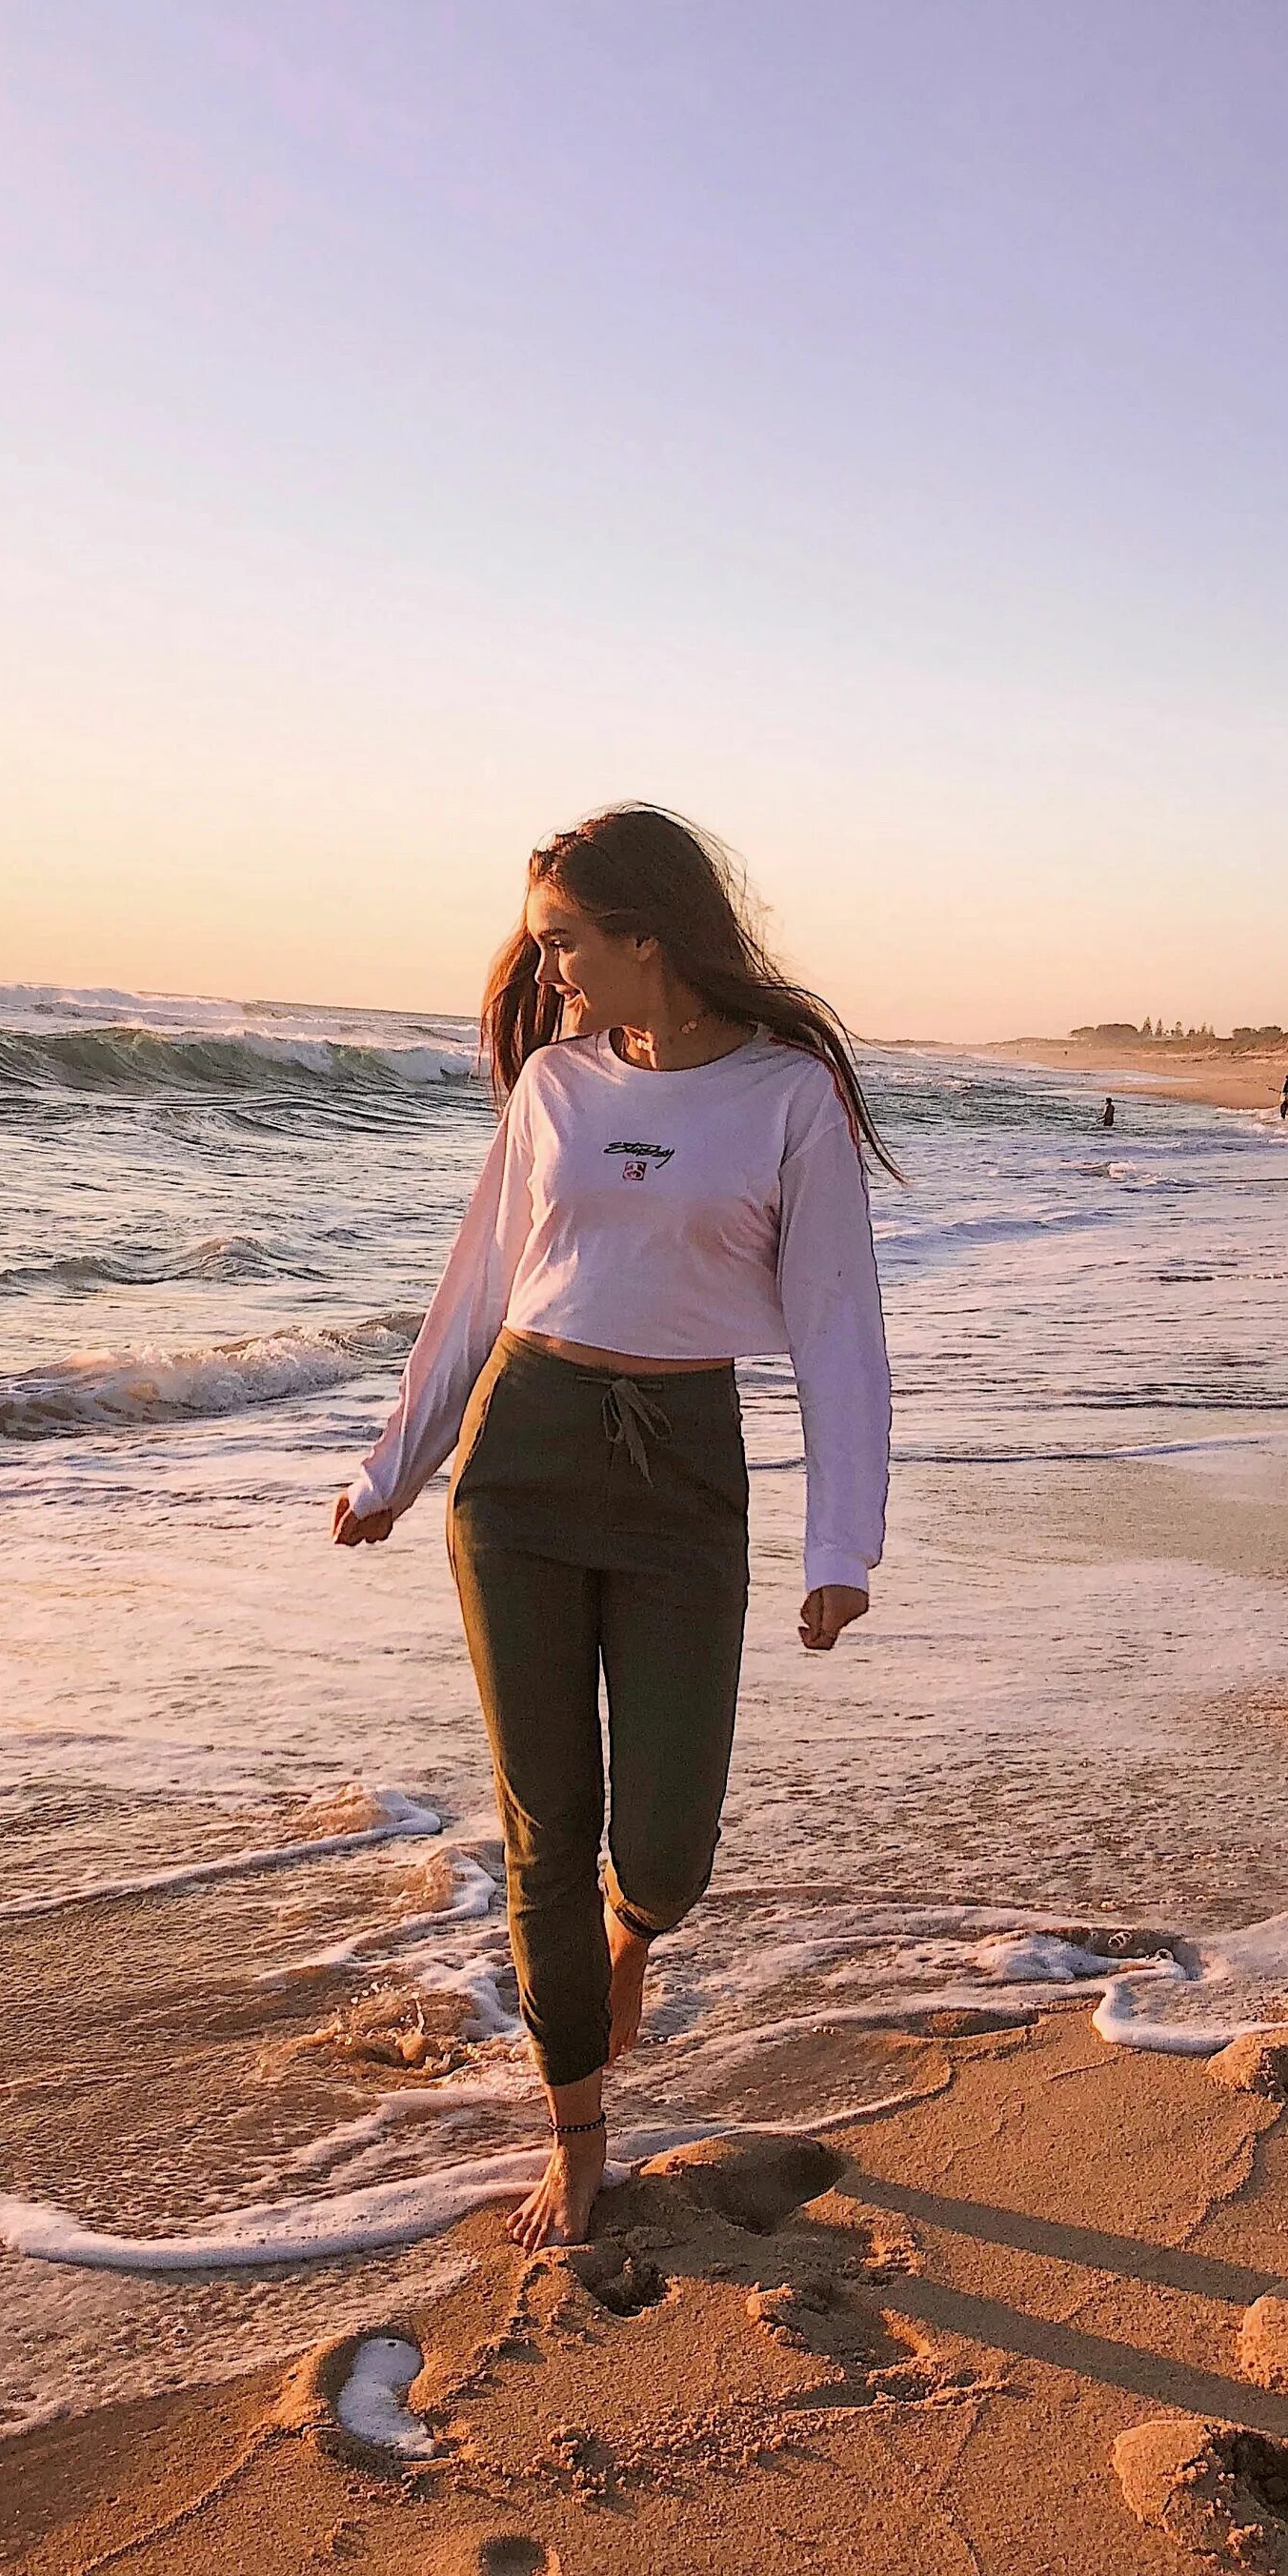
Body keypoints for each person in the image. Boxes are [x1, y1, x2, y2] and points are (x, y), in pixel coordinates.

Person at [332, 804, 895, 2250]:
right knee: (543, 1830)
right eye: (547, 947)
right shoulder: (553, 1084)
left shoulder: (787, 1098)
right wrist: (397, 1465)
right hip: (518, 1464)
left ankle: (632, 1936)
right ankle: (575, 2131)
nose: (554, 974)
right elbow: (475, 1286)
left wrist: (844, 1546)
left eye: (569, 943)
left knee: (665, 1843)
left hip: (681, 1472)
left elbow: (838, 1327)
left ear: (652, 934)